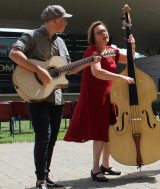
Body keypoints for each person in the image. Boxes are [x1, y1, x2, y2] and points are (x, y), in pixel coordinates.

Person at [8, 5, 93, 189]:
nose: (66, 22)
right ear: (55, 20)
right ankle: (40, 181)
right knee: (43, 137)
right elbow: (14, 53)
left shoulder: (61, 43)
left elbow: (68, 69)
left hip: (55, 95)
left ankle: (46, 177)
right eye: (64, 19)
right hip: (37, 95)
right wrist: (40, 70)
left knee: (52, 138)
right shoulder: (32, 36)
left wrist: (89, 62)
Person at [63, 21, 135, 182]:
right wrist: (121, 78)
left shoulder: (111, 51)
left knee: (109, 131)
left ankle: (105, 165)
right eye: (100, 32)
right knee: (99, 133)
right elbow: (97, 73)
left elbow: (130, 59)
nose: (104, 33)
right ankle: (95, 169)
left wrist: (132, 45)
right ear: (93, 37)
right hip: (95, 96)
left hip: (110, 96)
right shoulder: (92, 50)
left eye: (105, 30)